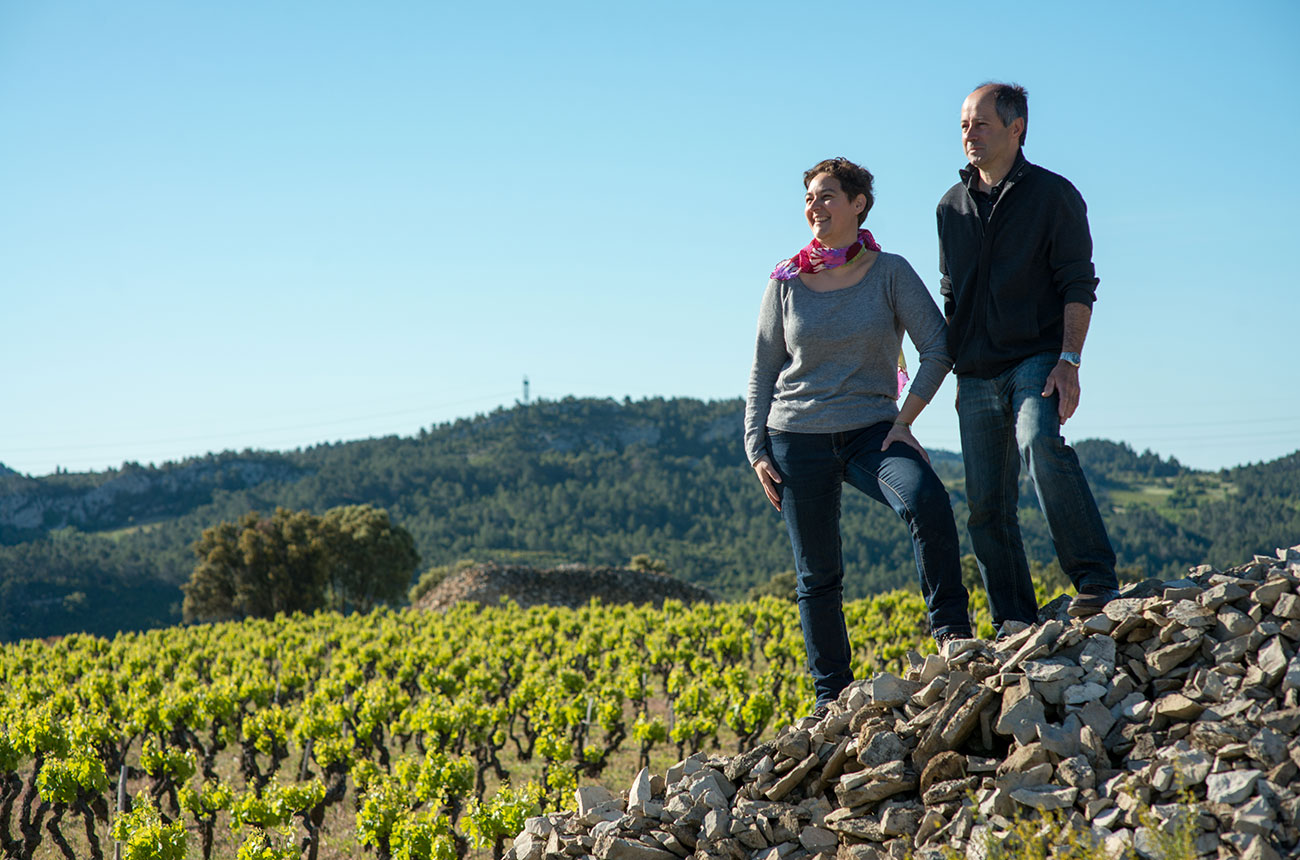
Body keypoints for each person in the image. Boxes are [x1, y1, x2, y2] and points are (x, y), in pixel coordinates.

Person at [745, 157, 972, 713]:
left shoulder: (890, 271)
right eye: (808, 199)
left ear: (858, 203)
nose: (814, 208)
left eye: (826, 197)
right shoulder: (786, 280)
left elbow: (938, 348)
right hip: (795, 436)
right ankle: (833, 699)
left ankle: (954, 639)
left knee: (927, 502)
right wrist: (756, 447)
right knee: (817, 575)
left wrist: (906, 419)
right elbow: (763, 369)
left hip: (874, 431)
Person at [937, 82, 1120, 629]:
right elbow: (951, 291)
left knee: (1039, 440)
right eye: (964, 124)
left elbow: (1078, 283)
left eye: (981, 123)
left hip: (1038, 358)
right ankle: (1013, 621)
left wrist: (1070, 360)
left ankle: (1095, 580)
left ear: (1016, 128)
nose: (969, 133)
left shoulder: (1054, 196)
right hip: (973, 372)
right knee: (986, 508)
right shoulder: (950, 206)